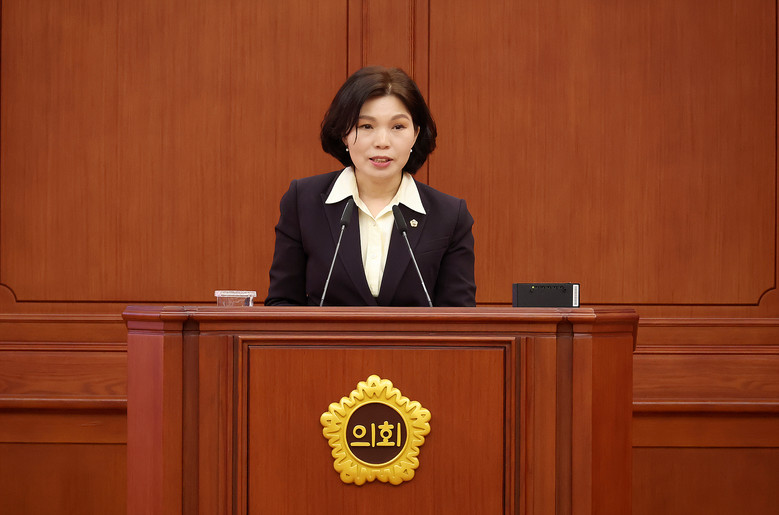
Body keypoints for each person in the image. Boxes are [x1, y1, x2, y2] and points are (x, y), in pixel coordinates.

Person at [265, 66, 475, 306]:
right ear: (344, 133)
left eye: (398, 127)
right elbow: (282, 304)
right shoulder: (303, 202)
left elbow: (460, 318)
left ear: (416, 134)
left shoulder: (449, 215)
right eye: (366, 126)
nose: (382, 142)